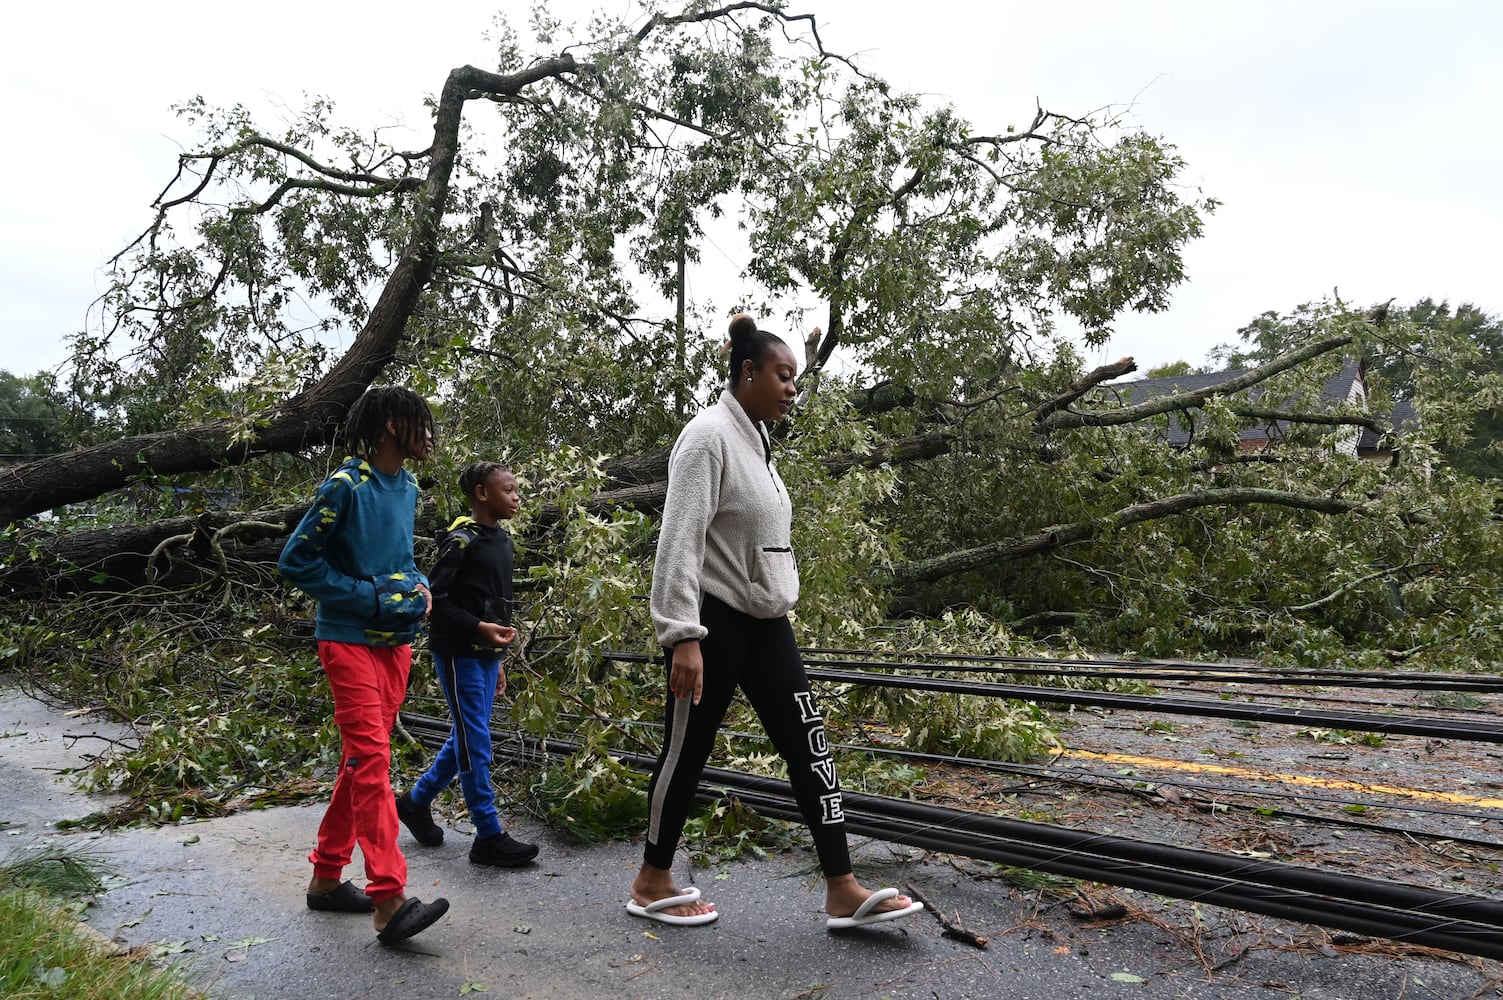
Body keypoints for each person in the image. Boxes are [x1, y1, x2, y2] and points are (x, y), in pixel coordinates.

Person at [626, 314, 925, 931]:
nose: (793, 388)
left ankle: (841, 887)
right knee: (687, 751)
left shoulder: (757, 441)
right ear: (748, 373)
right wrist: (681, 634)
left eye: (796, 378)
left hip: (768, 625)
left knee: (808, 745)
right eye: (784, 376)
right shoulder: (708, 436)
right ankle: (651, 879)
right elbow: (678, 540)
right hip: (711, 625)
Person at [278, 386, 450, 946]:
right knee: (372, 761)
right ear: (390, 427)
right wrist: (368, 595)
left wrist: (419, 585)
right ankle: (389, 897)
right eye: (418, 424)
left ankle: (327, 878)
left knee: (360, 761)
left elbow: (401, 557)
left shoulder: (409, 488)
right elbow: (296, 561)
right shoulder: (345, 486)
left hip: (394, 644)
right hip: (348, 640)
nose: (428, 435)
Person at [394, 461, 540, 867]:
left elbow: (498, 607)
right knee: (475, 738)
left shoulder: (503, 543)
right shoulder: (460, 541)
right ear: (481, 493)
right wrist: (478, 629)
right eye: (508, 490)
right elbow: (435, 602)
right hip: (458, 654)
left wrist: (499, 656)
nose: (516, 497)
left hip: (485, 655)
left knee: (467, 734)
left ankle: (414, 802)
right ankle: (487, 834)